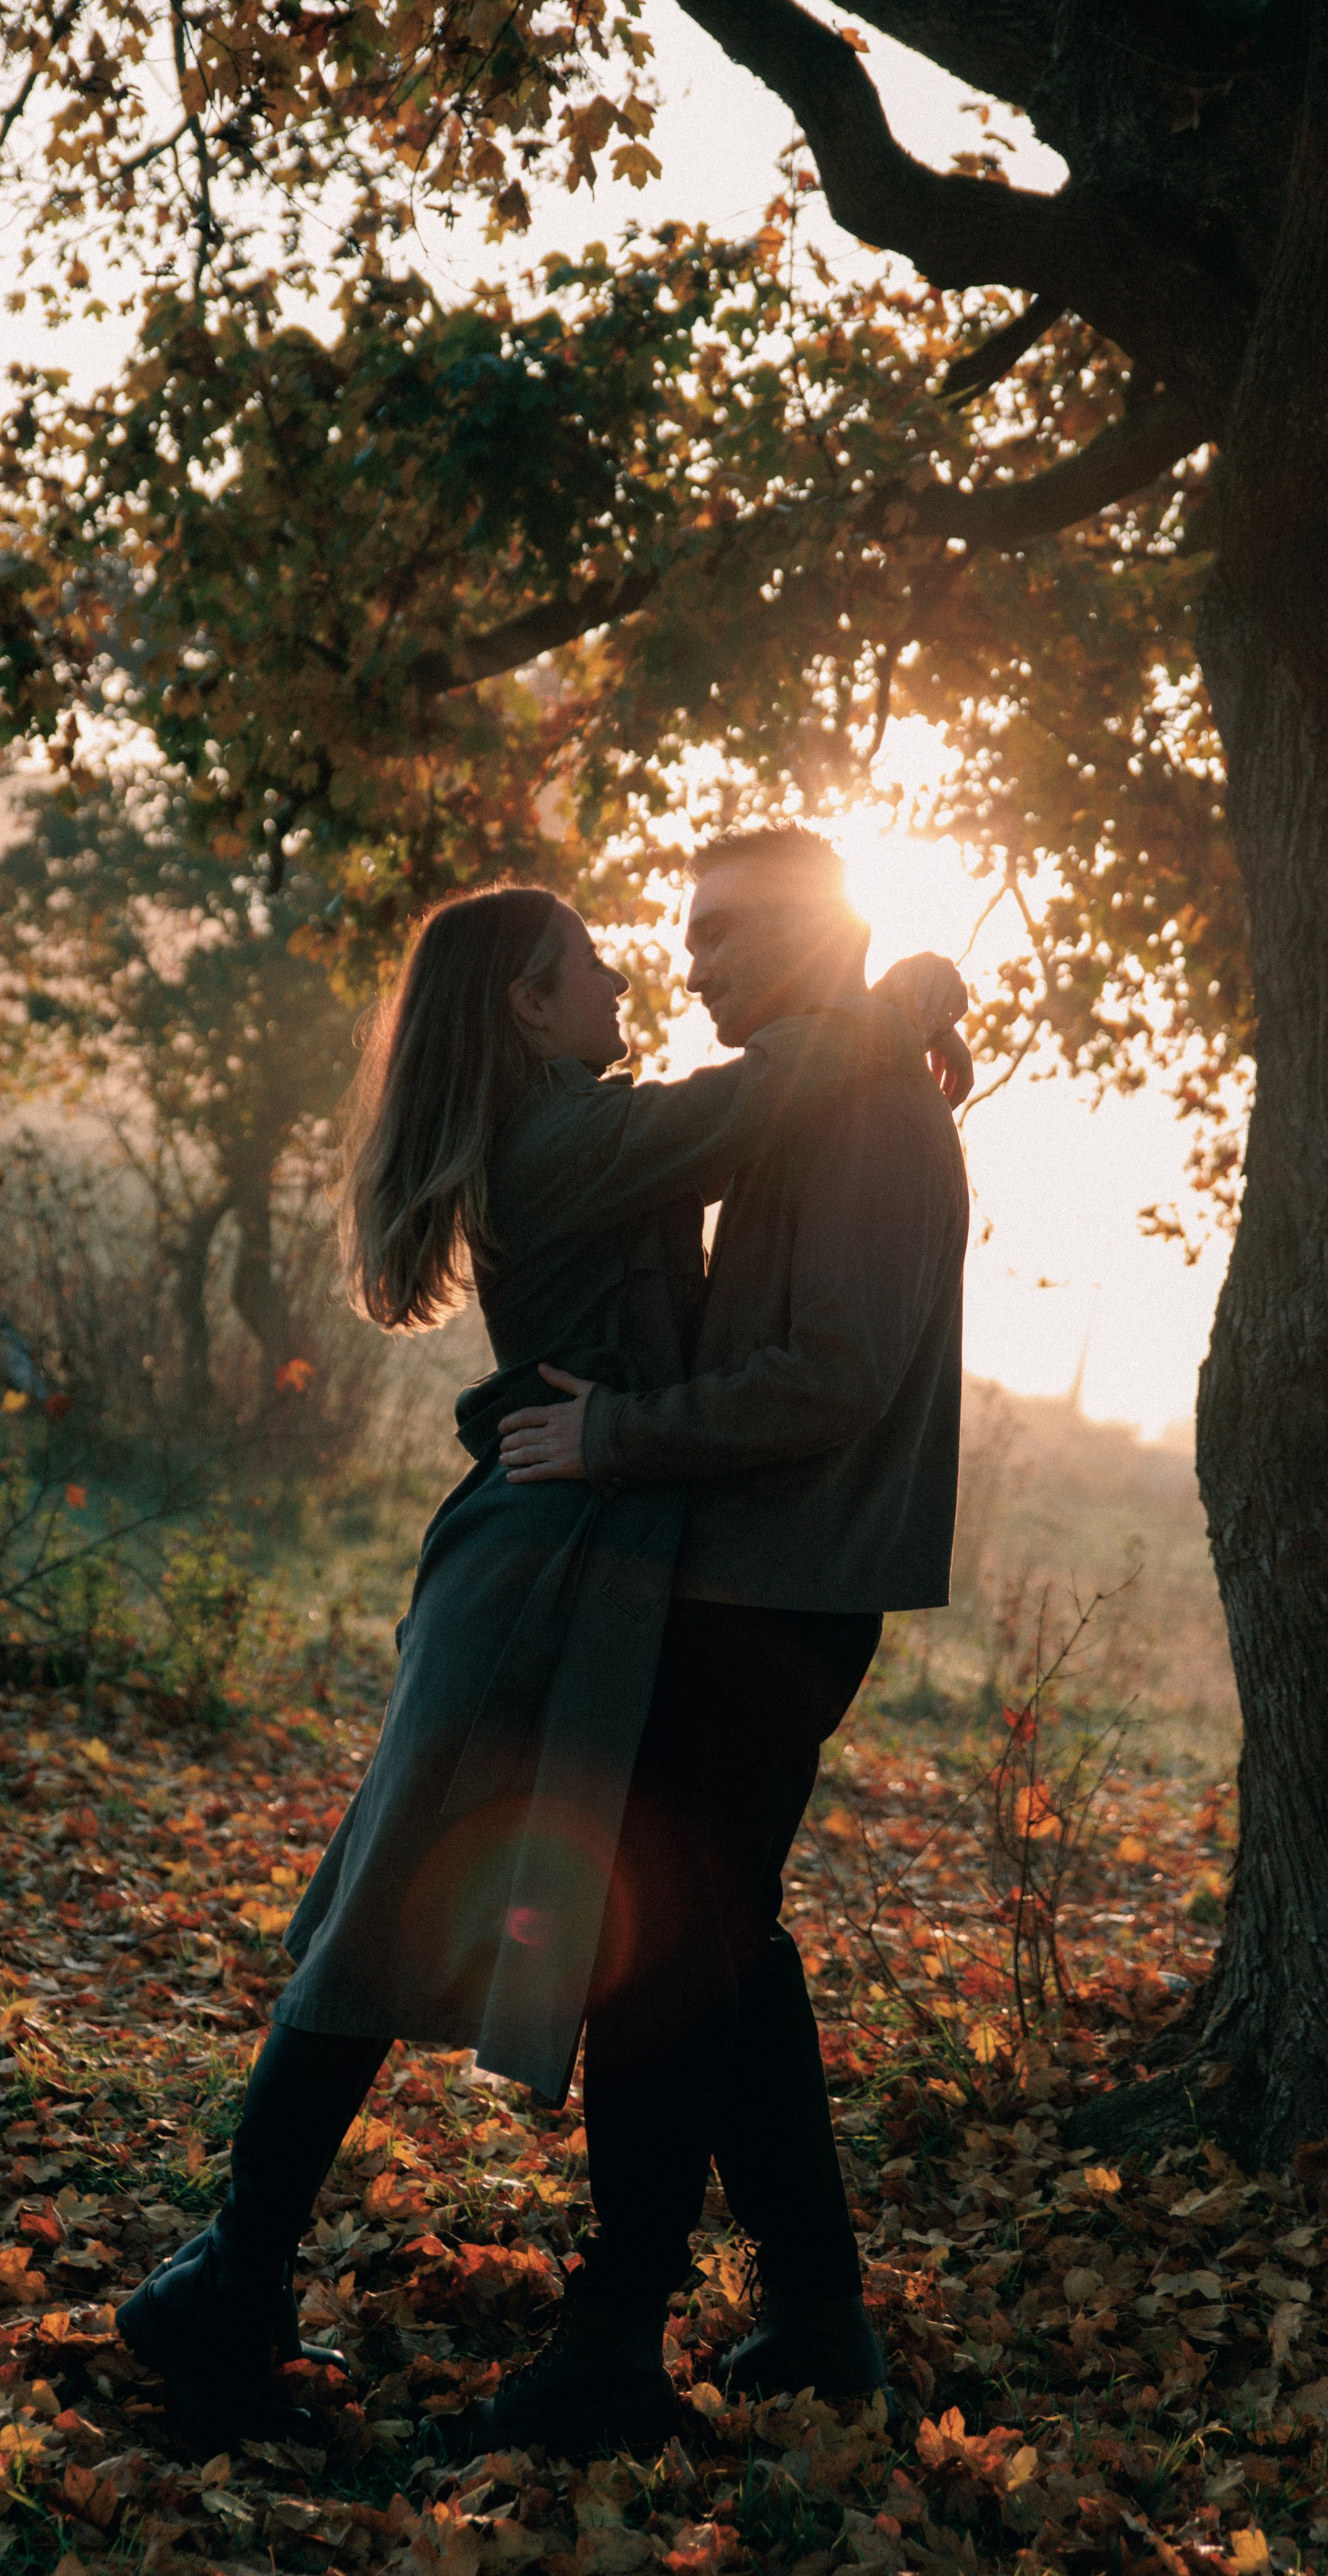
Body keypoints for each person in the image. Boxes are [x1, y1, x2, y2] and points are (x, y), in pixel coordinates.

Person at [114, 877, 967, 2454]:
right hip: (537, 1569)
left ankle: (778, 2305)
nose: (634, 970)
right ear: (523, 1002)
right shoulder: (569, 1135)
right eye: (590, 963)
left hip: (583, 1560)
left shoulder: (574, 1115)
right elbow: (760, 1097)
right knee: (378, 1920)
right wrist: (895, 1001)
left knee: (680, 1927)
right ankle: (232, 2274)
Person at [489, 825, 970, 2449]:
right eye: (678, 935)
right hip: (736, 1580)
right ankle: (819, 2320)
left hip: (774, 1593)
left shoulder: (868, 1116)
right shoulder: (822, 1087)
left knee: (654, 1966)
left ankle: (615, 2341)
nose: (681, 961)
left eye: (711, 933)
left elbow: (827, 1375)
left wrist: (617, 1434)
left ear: (803, 934)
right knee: (728, 1958)